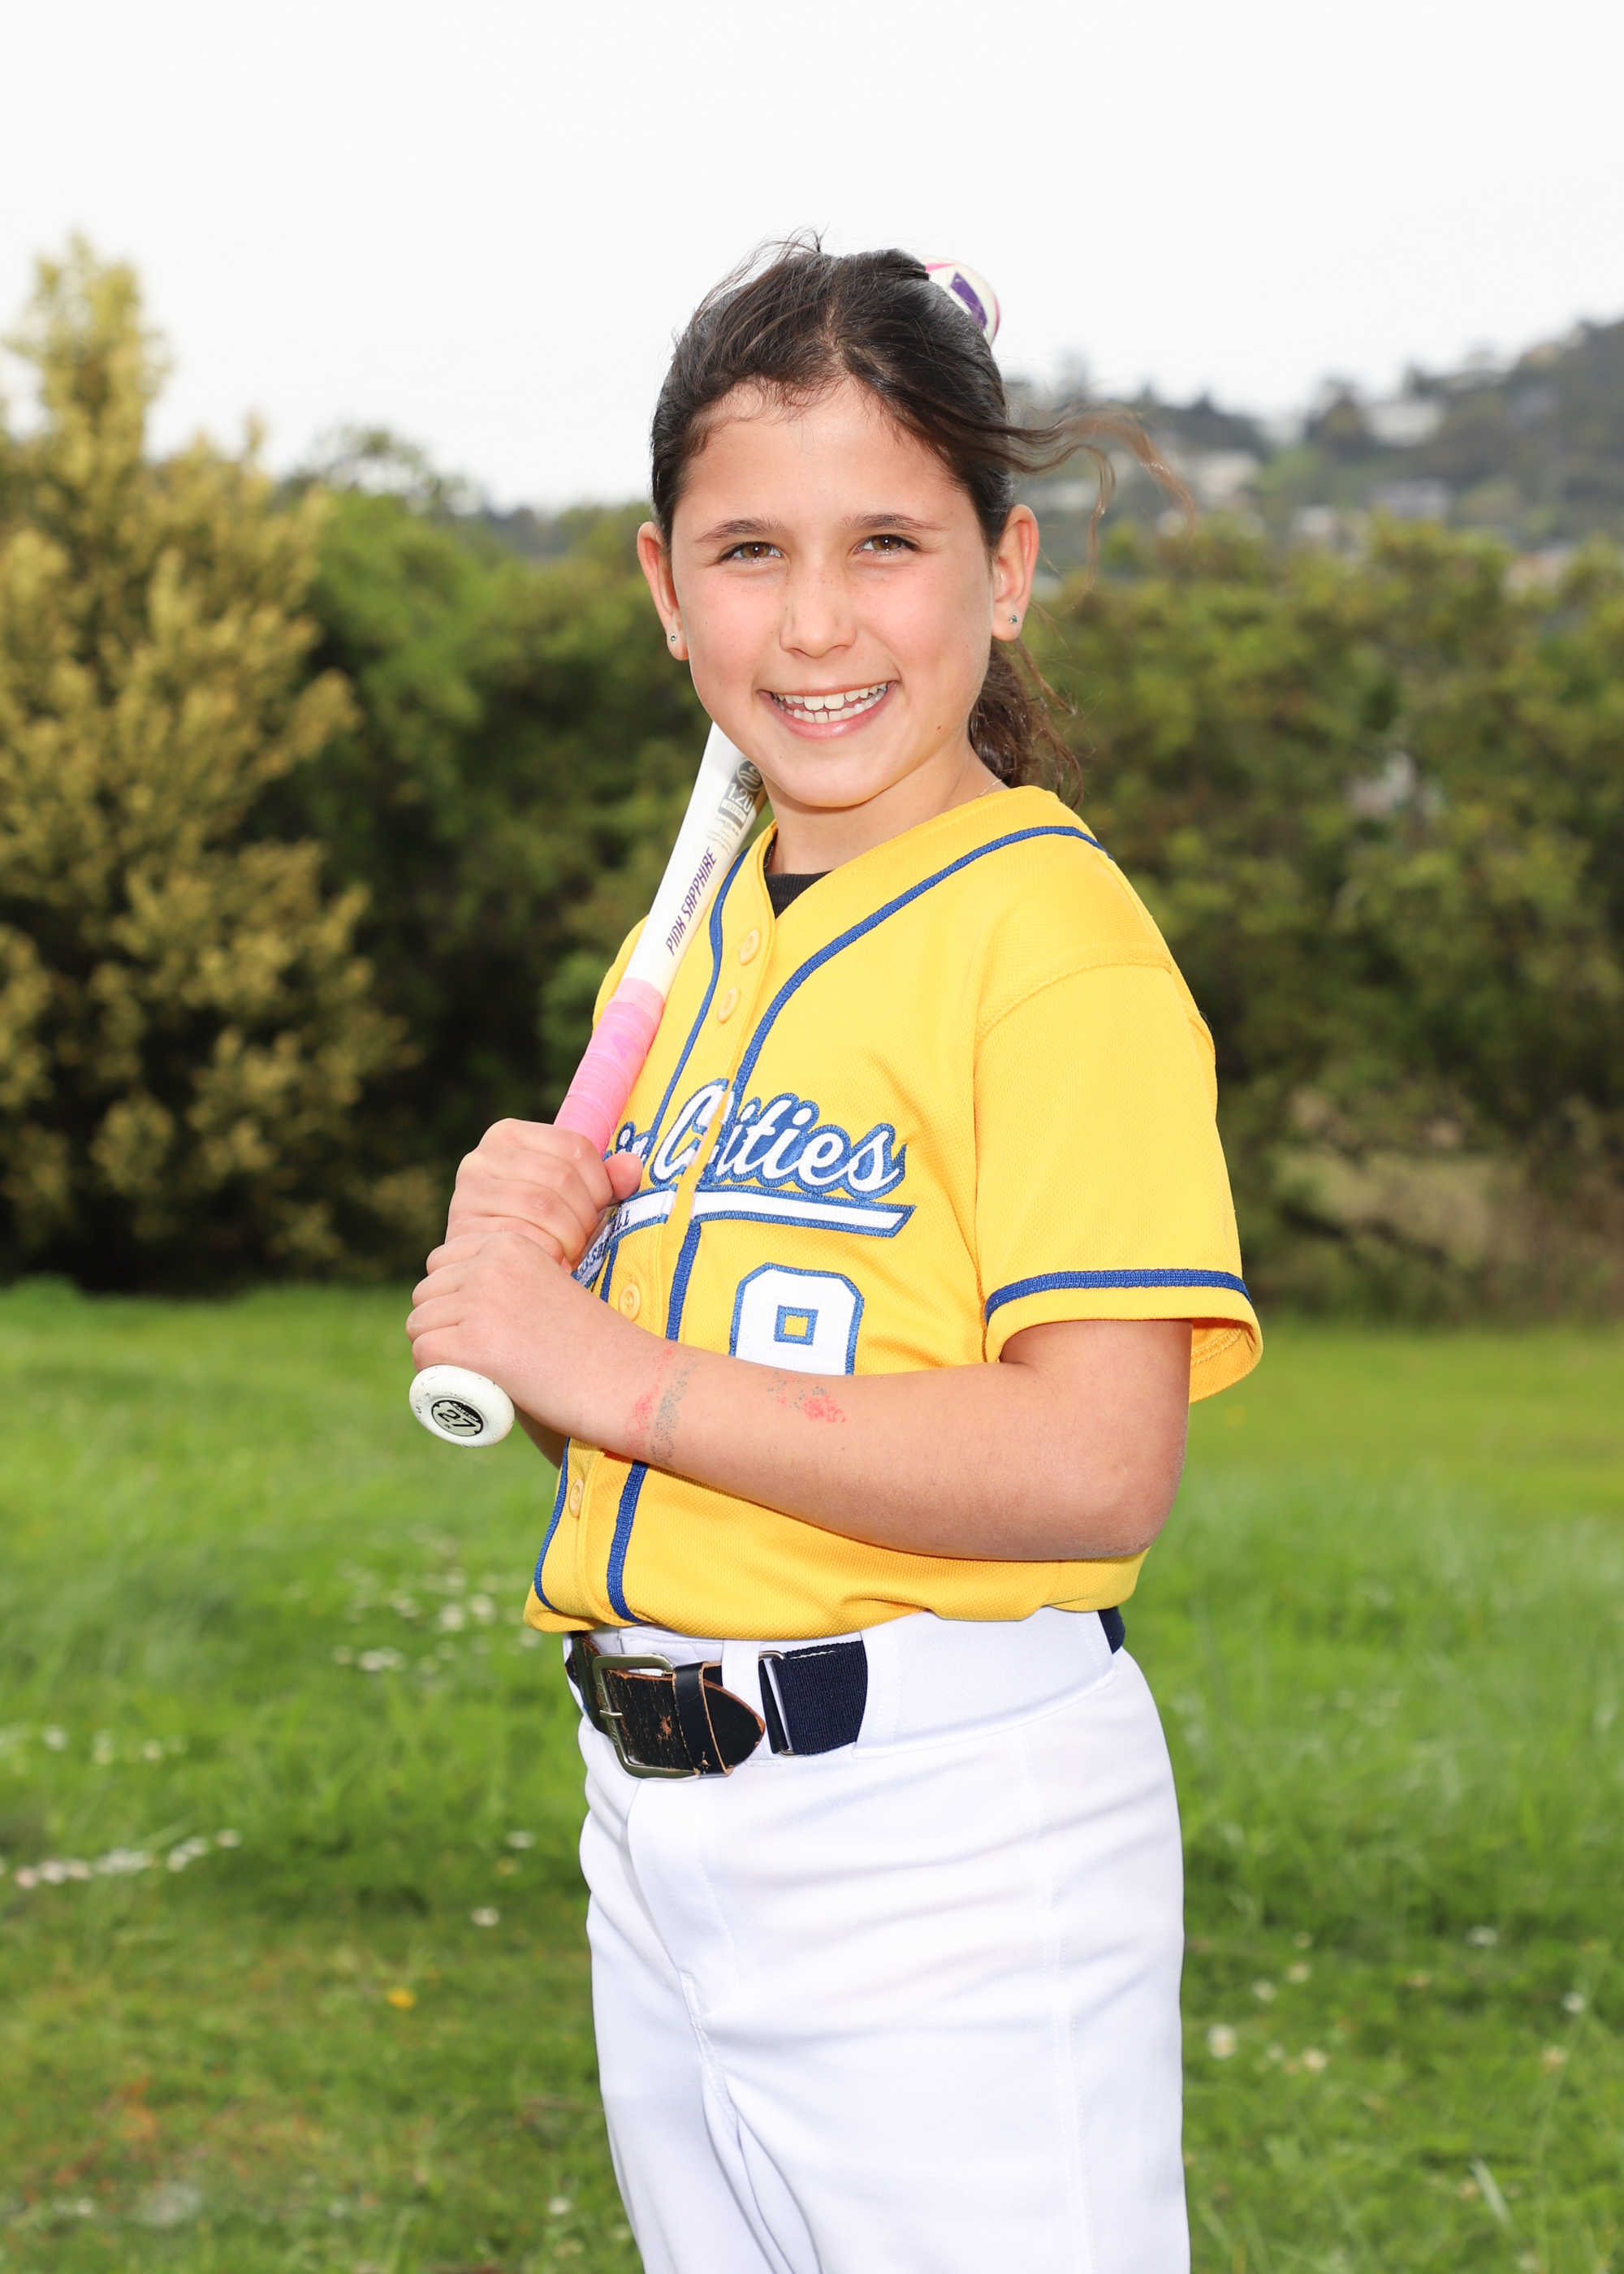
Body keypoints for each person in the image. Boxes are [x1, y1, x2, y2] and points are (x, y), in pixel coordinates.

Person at [406, 242, 1260, 2274]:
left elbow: (1095, 1464)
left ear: (1005, 567)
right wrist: (542, 1321)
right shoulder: (696, 950)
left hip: (942, 1835)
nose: (811, 622)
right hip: (661, 1816)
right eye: (747, 552)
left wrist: (611, 1368)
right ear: (662, 585)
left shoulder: (1050, 939)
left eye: (885, 542)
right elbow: (686, 1451)